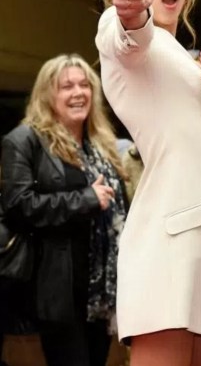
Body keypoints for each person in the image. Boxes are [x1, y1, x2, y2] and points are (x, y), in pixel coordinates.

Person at [95, 0, 201, 365]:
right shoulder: (120, 27)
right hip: (167, 249)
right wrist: (131, 13)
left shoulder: (180, 53)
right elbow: (129, 38)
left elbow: (196, 151)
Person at [1, 54, 128, 366]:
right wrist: (85, 199)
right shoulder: (25, 140)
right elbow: (18, 205)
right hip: (56, 289)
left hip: (102, 291)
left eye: (85, 85)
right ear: (48, 94)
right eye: (66, 86)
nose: (78, 93)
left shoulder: (102, 143)